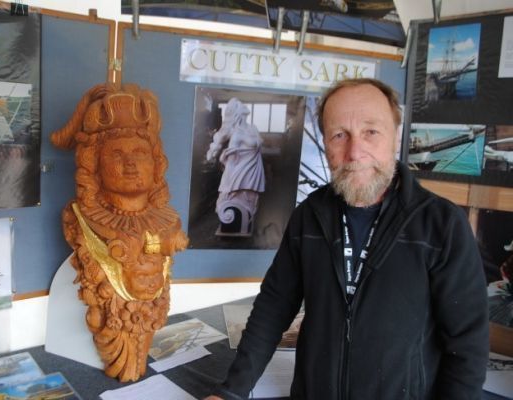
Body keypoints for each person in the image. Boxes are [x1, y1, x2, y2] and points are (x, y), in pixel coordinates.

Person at [206, 78, 489, 399]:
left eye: (371, 131)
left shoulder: (442, 225)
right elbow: (273, 309)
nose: (355, 152)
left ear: (395, 137)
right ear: (325, 143)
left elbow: (467, 347)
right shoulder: (309, 216)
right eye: (339, 135)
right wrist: (232, 391)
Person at [50, 83, 188, 382]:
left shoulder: (168, 220)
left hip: (146, 319)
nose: (130, 163)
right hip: (108, 325)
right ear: (94, 165)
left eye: (140, 152)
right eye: (116, 154)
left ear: (156, 163)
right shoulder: (81, 218)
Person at [206, 98, 265, 236]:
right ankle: (231, 222)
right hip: (240, 173)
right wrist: (220, 155)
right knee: (235, 200)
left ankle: (244, 225)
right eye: (239, 104)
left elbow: (259, 144)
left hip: (253, 171)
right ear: (237, 112)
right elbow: (230, 153)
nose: (243, 104)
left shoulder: (252, 128)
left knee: (250, 202)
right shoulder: (237, 133)